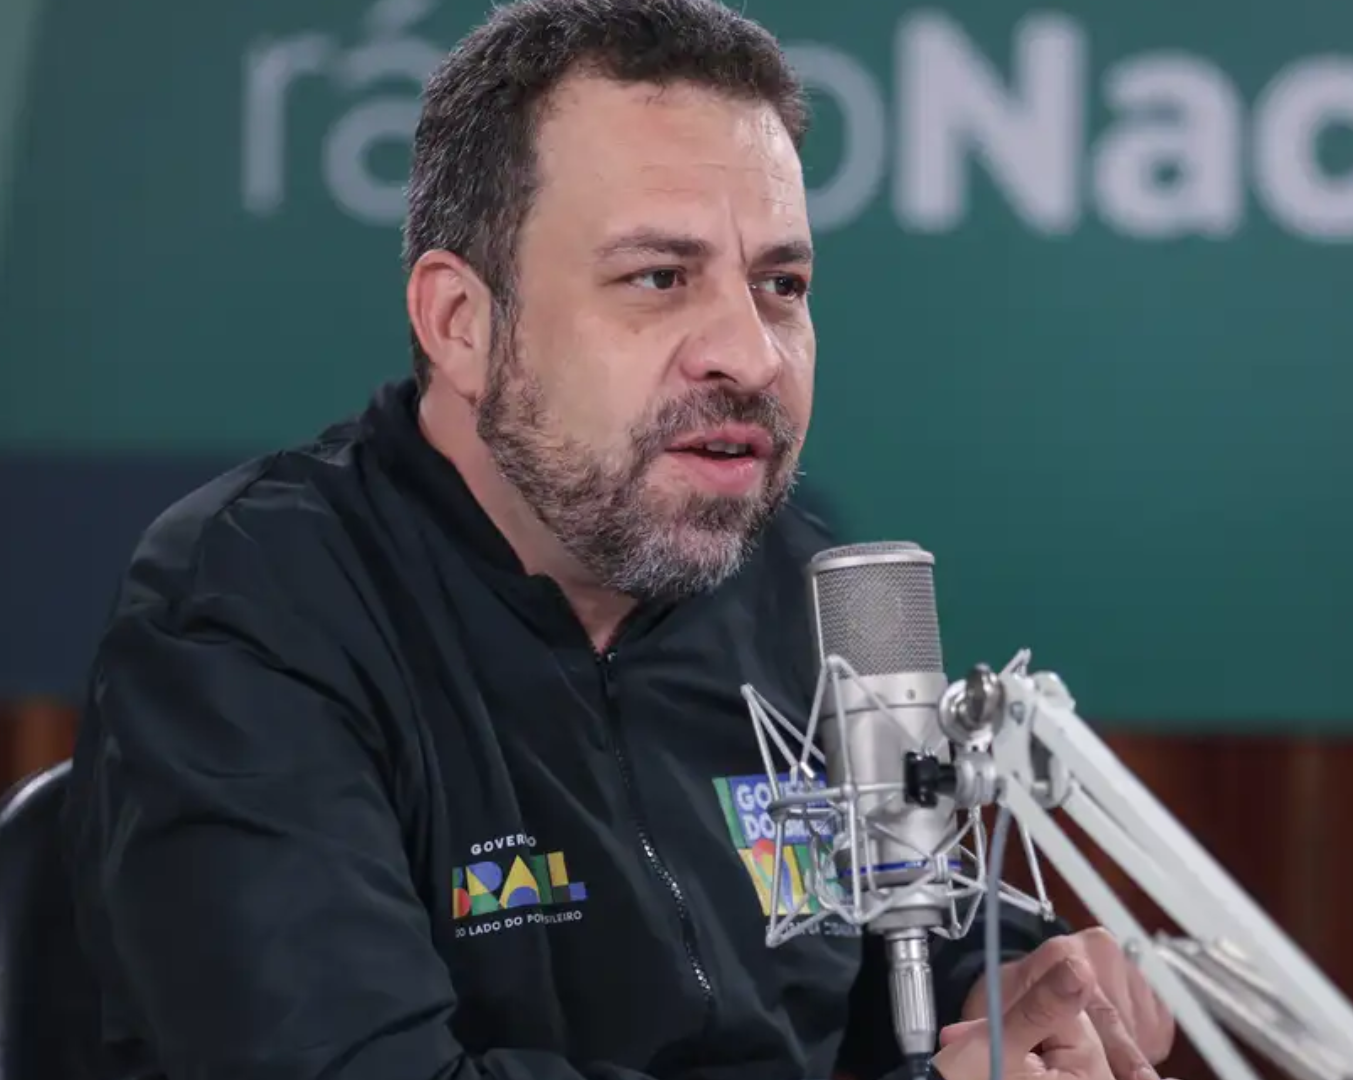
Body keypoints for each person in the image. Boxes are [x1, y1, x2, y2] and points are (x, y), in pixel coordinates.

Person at [60, 2, 1178, 1079]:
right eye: (658, 278)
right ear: (461, 323)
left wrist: (1011, 983)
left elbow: (892, 928)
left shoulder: (788, 583)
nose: (751, 353)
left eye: (781, 284)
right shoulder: (251, 610)